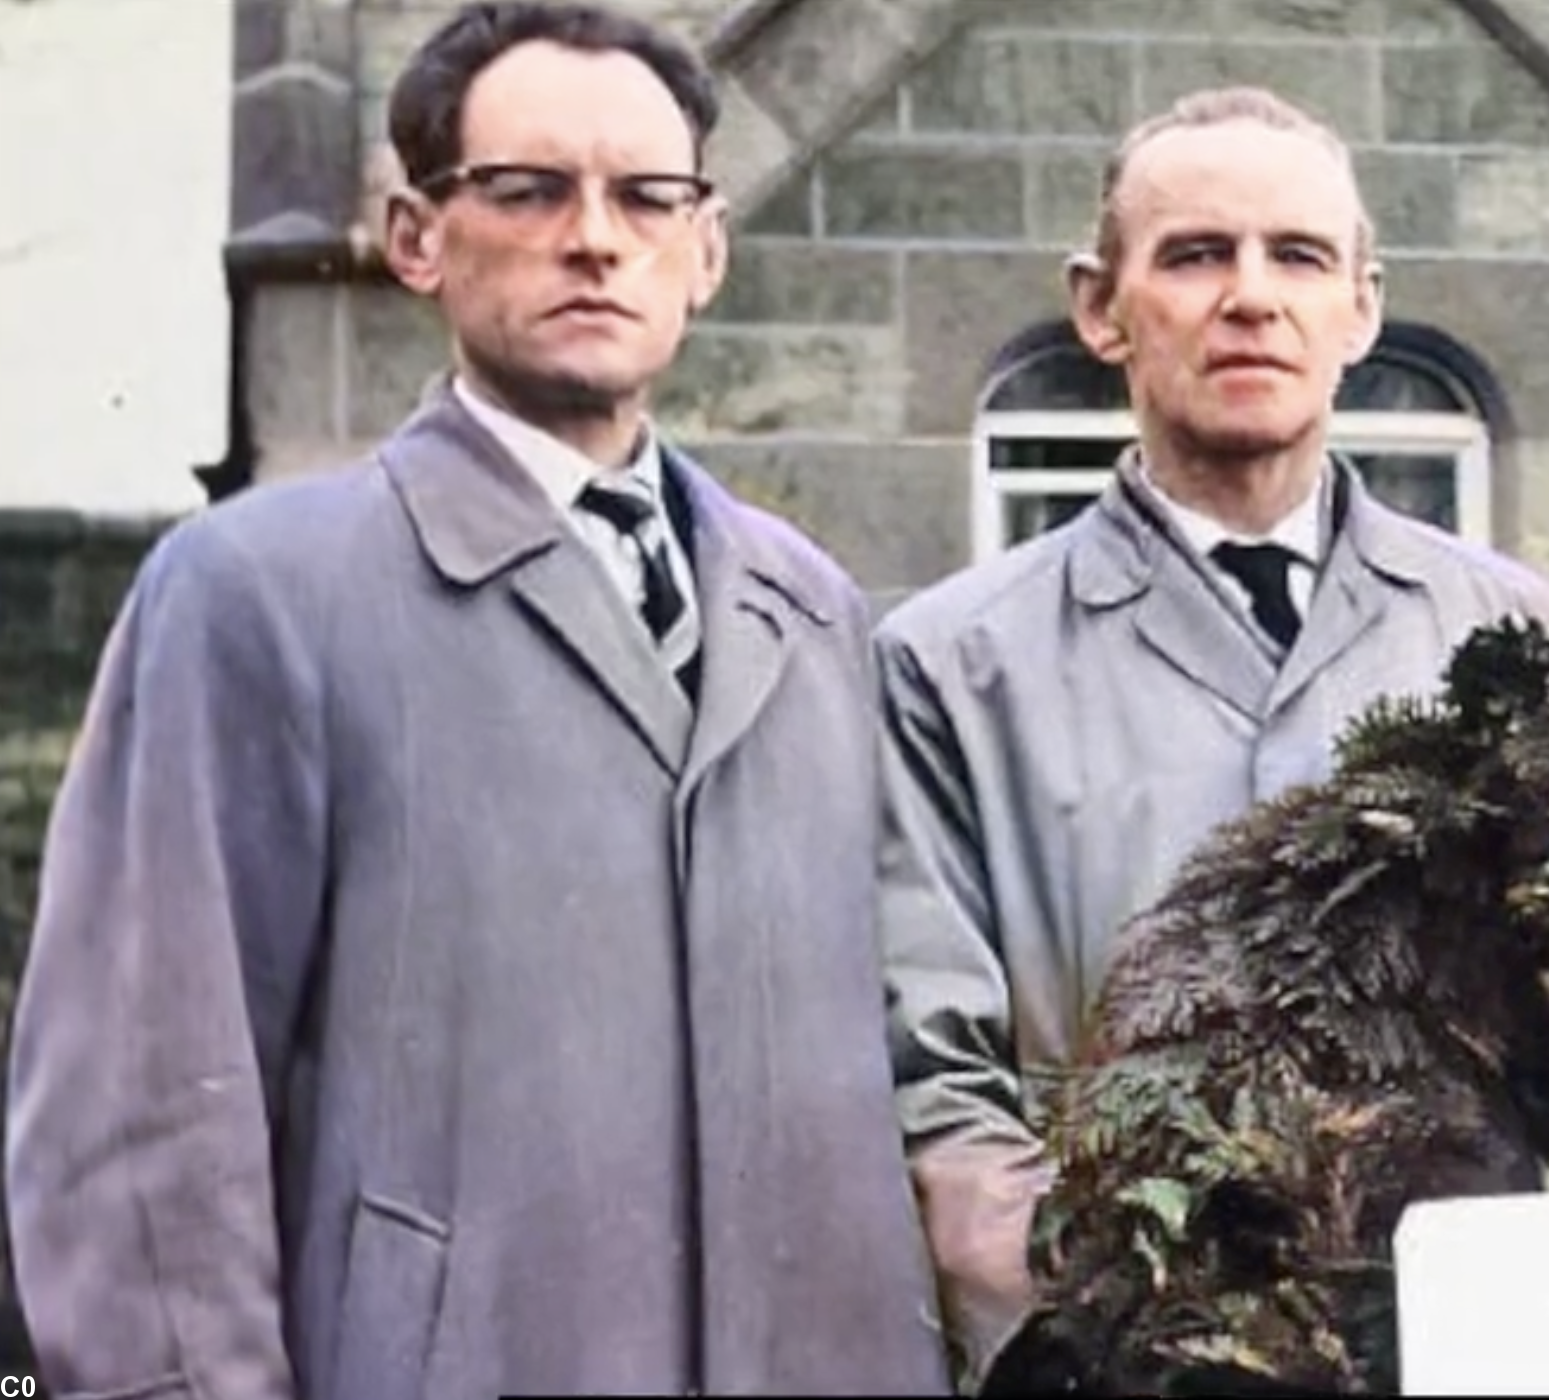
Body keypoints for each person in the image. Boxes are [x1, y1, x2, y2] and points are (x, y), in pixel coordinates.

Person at [4, 5, 945, 1396]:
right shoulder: (256, 589)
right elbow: (142, 1126)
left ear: (707, 251)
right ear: (416, 240)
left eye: (646, 196)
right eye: (525, 190)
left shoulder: (812, 612)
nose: (594, 236)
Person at [871, 85, 1549, 1392]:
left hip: (1462, 1333)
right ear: (1101, 306)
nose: (1250, 296)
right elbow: (935, 1078)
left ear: (1361, 304)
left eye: (1296, 256)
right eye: (1195, 255)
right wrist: (1086, 1331)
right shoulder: (954, 663)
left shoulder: (1524, 640)